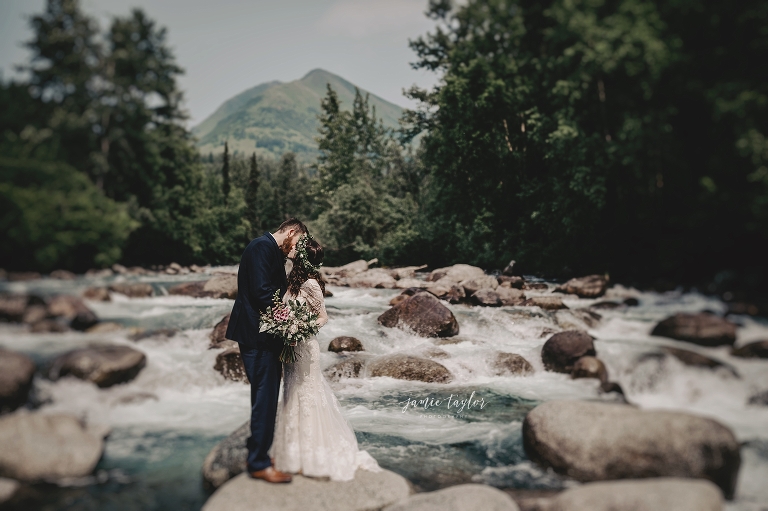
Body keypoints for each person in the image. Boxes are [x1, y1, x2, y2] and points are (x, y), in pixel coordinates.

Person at [268, 234, 382, 481]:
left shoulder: (310, 284)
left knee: (307, 393)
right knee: (291, 393)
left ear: (303, 258)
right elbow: (285, 310)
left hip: (305, 347)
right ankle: (291, 454)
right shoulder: (292, 281)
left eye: (297, 250)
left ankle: (311, 455)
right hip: (290, 346)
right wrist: (283, 324)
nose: (292, 251)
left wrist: (300, 329)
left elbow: (323, 317)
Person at [225, 218, 307, 484]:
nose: (295, 250)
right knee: (265, 398)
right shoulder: (261, 247)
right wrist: (289, 322)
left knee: (265, 396)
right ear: (291, 231)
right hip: (256, 336)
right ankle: (259, 462)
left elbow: (274, 292)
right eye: (297, 244)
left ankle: (258, 454)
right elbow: (262, 293)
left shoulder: (269, 250)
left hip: (263, 334)